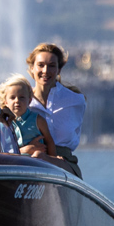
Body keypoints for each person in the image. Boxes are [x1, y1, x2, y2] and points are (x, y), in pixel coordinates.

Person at [25, 42, 86, 177]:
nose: (46, 70)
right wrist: (24, 149)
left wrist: (47, 156)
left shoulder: (76, 101)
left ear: (59, 70)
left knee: (40, 158)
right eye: (41, 65)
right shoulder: (21, 103)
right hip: (28, 162)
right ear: (32, 68)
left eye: (51, 66)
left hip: (64, 164)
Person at [0, 76, 57, 159]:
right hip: (12, 162)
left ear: (29, 101)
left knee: (38, 154)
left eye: (21, 97)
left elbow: (49, 141)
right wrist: (23, 150)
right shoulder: (2, 124)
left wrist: (53, 159)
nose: (17, 100)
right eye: (12, 97)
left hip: (37, 162)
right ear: (5, 102)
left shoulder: (38, 120)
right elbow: (1, 151)